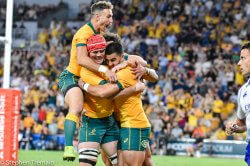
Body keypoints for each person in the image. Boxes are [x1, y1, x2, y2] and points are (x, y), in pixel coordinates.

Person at [79, 42, 158, 165]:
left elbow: (105, 94)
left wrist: (84, 85)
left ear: (122, 56)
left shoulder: (126, 71)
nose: (110, 63)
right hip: (116, 124)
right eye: (107, 60)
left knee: (140, 162)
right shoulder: (111, 68)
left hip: (133, 123)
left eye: (113, 60)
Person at [57, 1, 115, 161]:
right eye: (108, 16)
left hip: (87, 77)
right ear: (98, 16)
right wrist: (105, 70)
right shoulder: (83, 33)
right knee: (76, 108)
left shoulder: (99, 35)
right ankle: (69, 148)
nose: (111, 20)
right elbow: (82, 60)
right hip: (72, 77)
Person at [225, 43, 250, 166]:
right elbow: (242, 122)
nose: (238, 63)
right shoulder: (243, 91)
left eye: (243, 58)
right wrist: (234, 127)